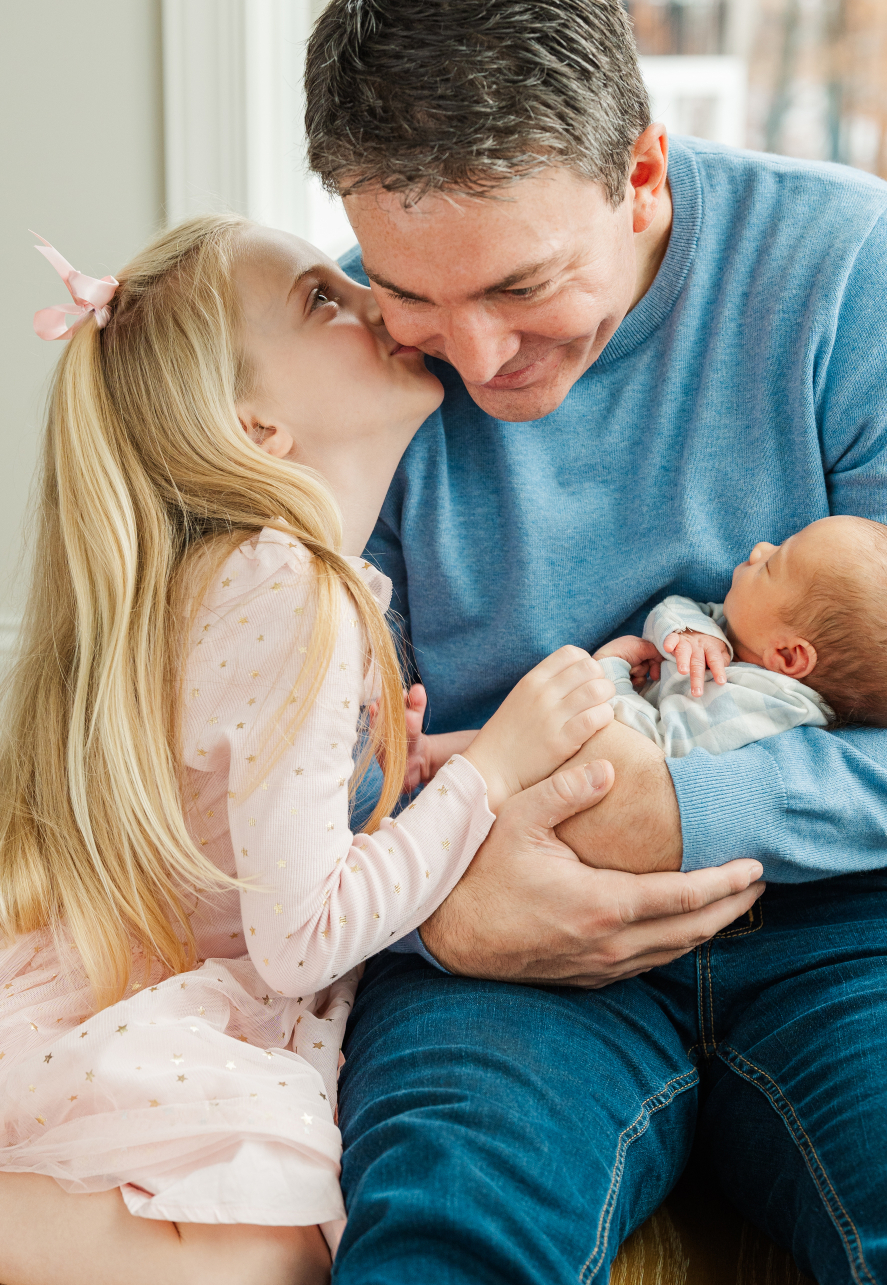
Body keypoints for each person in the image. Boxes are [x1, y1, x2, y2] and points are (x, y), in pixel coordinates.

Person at [304, 0, 887, 1282]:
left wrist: (675, 813)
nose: (477, 359)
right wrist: (441, 899)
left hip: (848, 910)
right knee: (439, 1241)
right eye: (413, 294)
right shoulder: (324, 355)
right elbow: (285, 749)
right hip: (487, 916)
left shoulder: (860, 274)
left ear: (641, 174)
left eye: (523, 285)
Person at [1, 221, 762, 1285]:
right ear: (256, 425)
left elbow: (267, 810)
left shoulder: (261, 577)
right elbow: (303, 937)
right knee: (270, 1244)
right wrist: (491, 771)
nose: (370, 298)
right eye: (321, 299)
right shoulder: (290, 591)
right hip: (182, 986)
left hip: (159, 965)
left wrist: (434, 761)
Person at [592, 515, 887, 767]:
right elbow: (680, 607)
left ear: (789, 656)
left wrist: (609, 674)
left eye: (772, 564)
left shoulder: (761, 705)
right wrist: (691, 632)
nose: (760, 548)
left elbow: (652, 750)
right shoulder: (749, 635)